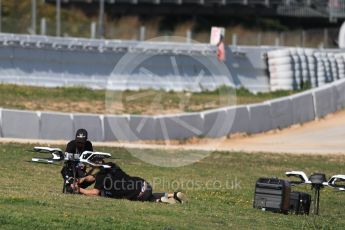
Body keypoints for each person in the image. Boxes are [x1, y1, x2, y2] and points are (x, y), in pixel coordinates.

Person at [71, 161, 187, 204]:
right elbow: (94, 177)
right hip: (144, 184)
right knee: (146, 194)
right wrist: (84, 179)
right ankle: (173, 195)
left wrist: (79, 190)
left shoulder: (101, 177)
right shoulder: (111, 165)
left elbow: (95, 192)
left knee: (142, 197)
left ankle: (160, 200)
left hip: (139, 195)